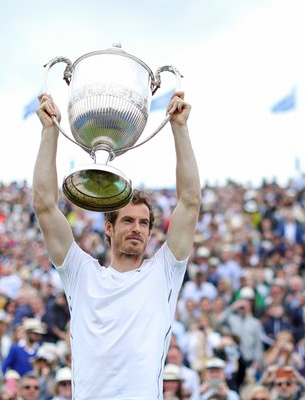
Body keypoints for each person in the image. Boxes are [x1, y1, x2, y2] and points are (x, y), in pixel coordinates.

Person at [32, 89, 201, 400]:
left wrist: (180, 128)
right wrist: (49, 132)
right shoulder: (81, 272)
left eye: (143, 223)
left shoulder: (164, 272)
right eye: (127, 221)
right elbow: (44, 205)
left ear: (151, 232)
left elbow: (190, 202)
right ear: (108, 227)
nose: (137, 228)